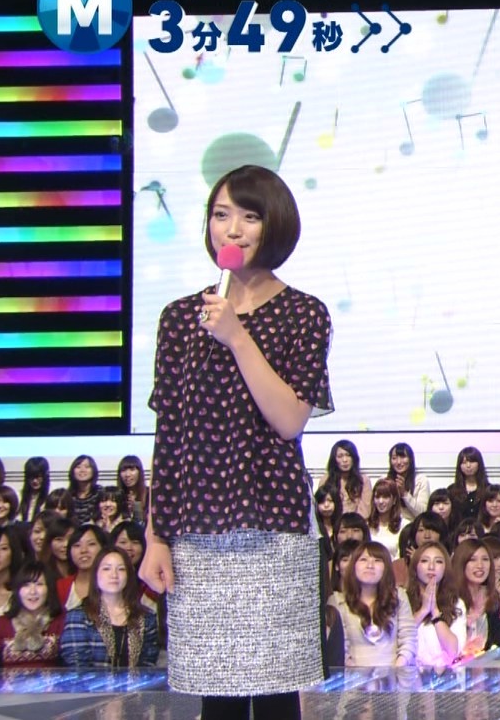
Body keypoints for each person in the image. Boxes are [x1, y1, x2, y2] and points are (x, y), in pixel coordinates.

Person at [139, 165, 333, 720]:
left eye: (249, 216)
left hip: (272, 527)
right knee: (217, 699)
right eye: (221, 215)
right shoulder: (180, 318)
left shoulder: (304, 313)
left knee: (276, 695)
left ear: (275, 225)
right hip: (197, 533)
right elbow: (169, 436)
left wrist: (237, 337)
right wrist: (156, 536)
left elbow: (289, 420)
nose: (233, 229)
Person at [61, 547, 159, 668]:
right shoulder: (78, 616)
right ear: (95, 574)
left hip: (135, 681)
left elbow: (148, 663)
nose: (114, 575)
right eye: (106, 569)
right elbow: (77, 665)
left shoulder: (147, 617)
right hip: (92, 680)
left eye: (121, 569)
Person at [0, 561, 66, 667]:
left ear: (49, 588)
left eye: (39, 584)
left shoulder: (63, 622)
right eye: (26, 585)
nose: (32, 592)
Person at [387, 442, 431, 521]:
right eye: (394, 458)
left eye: (403, 457)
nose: (398, 462)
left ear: (410, 459)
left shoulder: (421, 480)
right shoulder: (384, 480)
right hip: (390, 524)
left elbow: (423, 513)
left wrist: (404, 493)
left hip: (412, 525)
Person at [66, 455, 103, 527]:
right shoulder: (68, 495)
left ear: (93, 470)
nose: (82, 470)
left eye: (87, 467)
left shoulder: (100, 492)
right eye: (78, 467)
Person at [117, 456, 150, 525]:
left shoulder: (150, 494)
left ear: (140, 472)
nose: (127, 474)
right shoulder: (117, 495)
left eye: (132, 469)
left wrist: (136, 507)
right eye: (123, 470)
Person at [18, 457, 52, 523]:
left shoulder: (50, 496)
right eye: (31, 477)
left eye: (38, 477)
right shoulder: (20, 495)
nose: (35, 481)